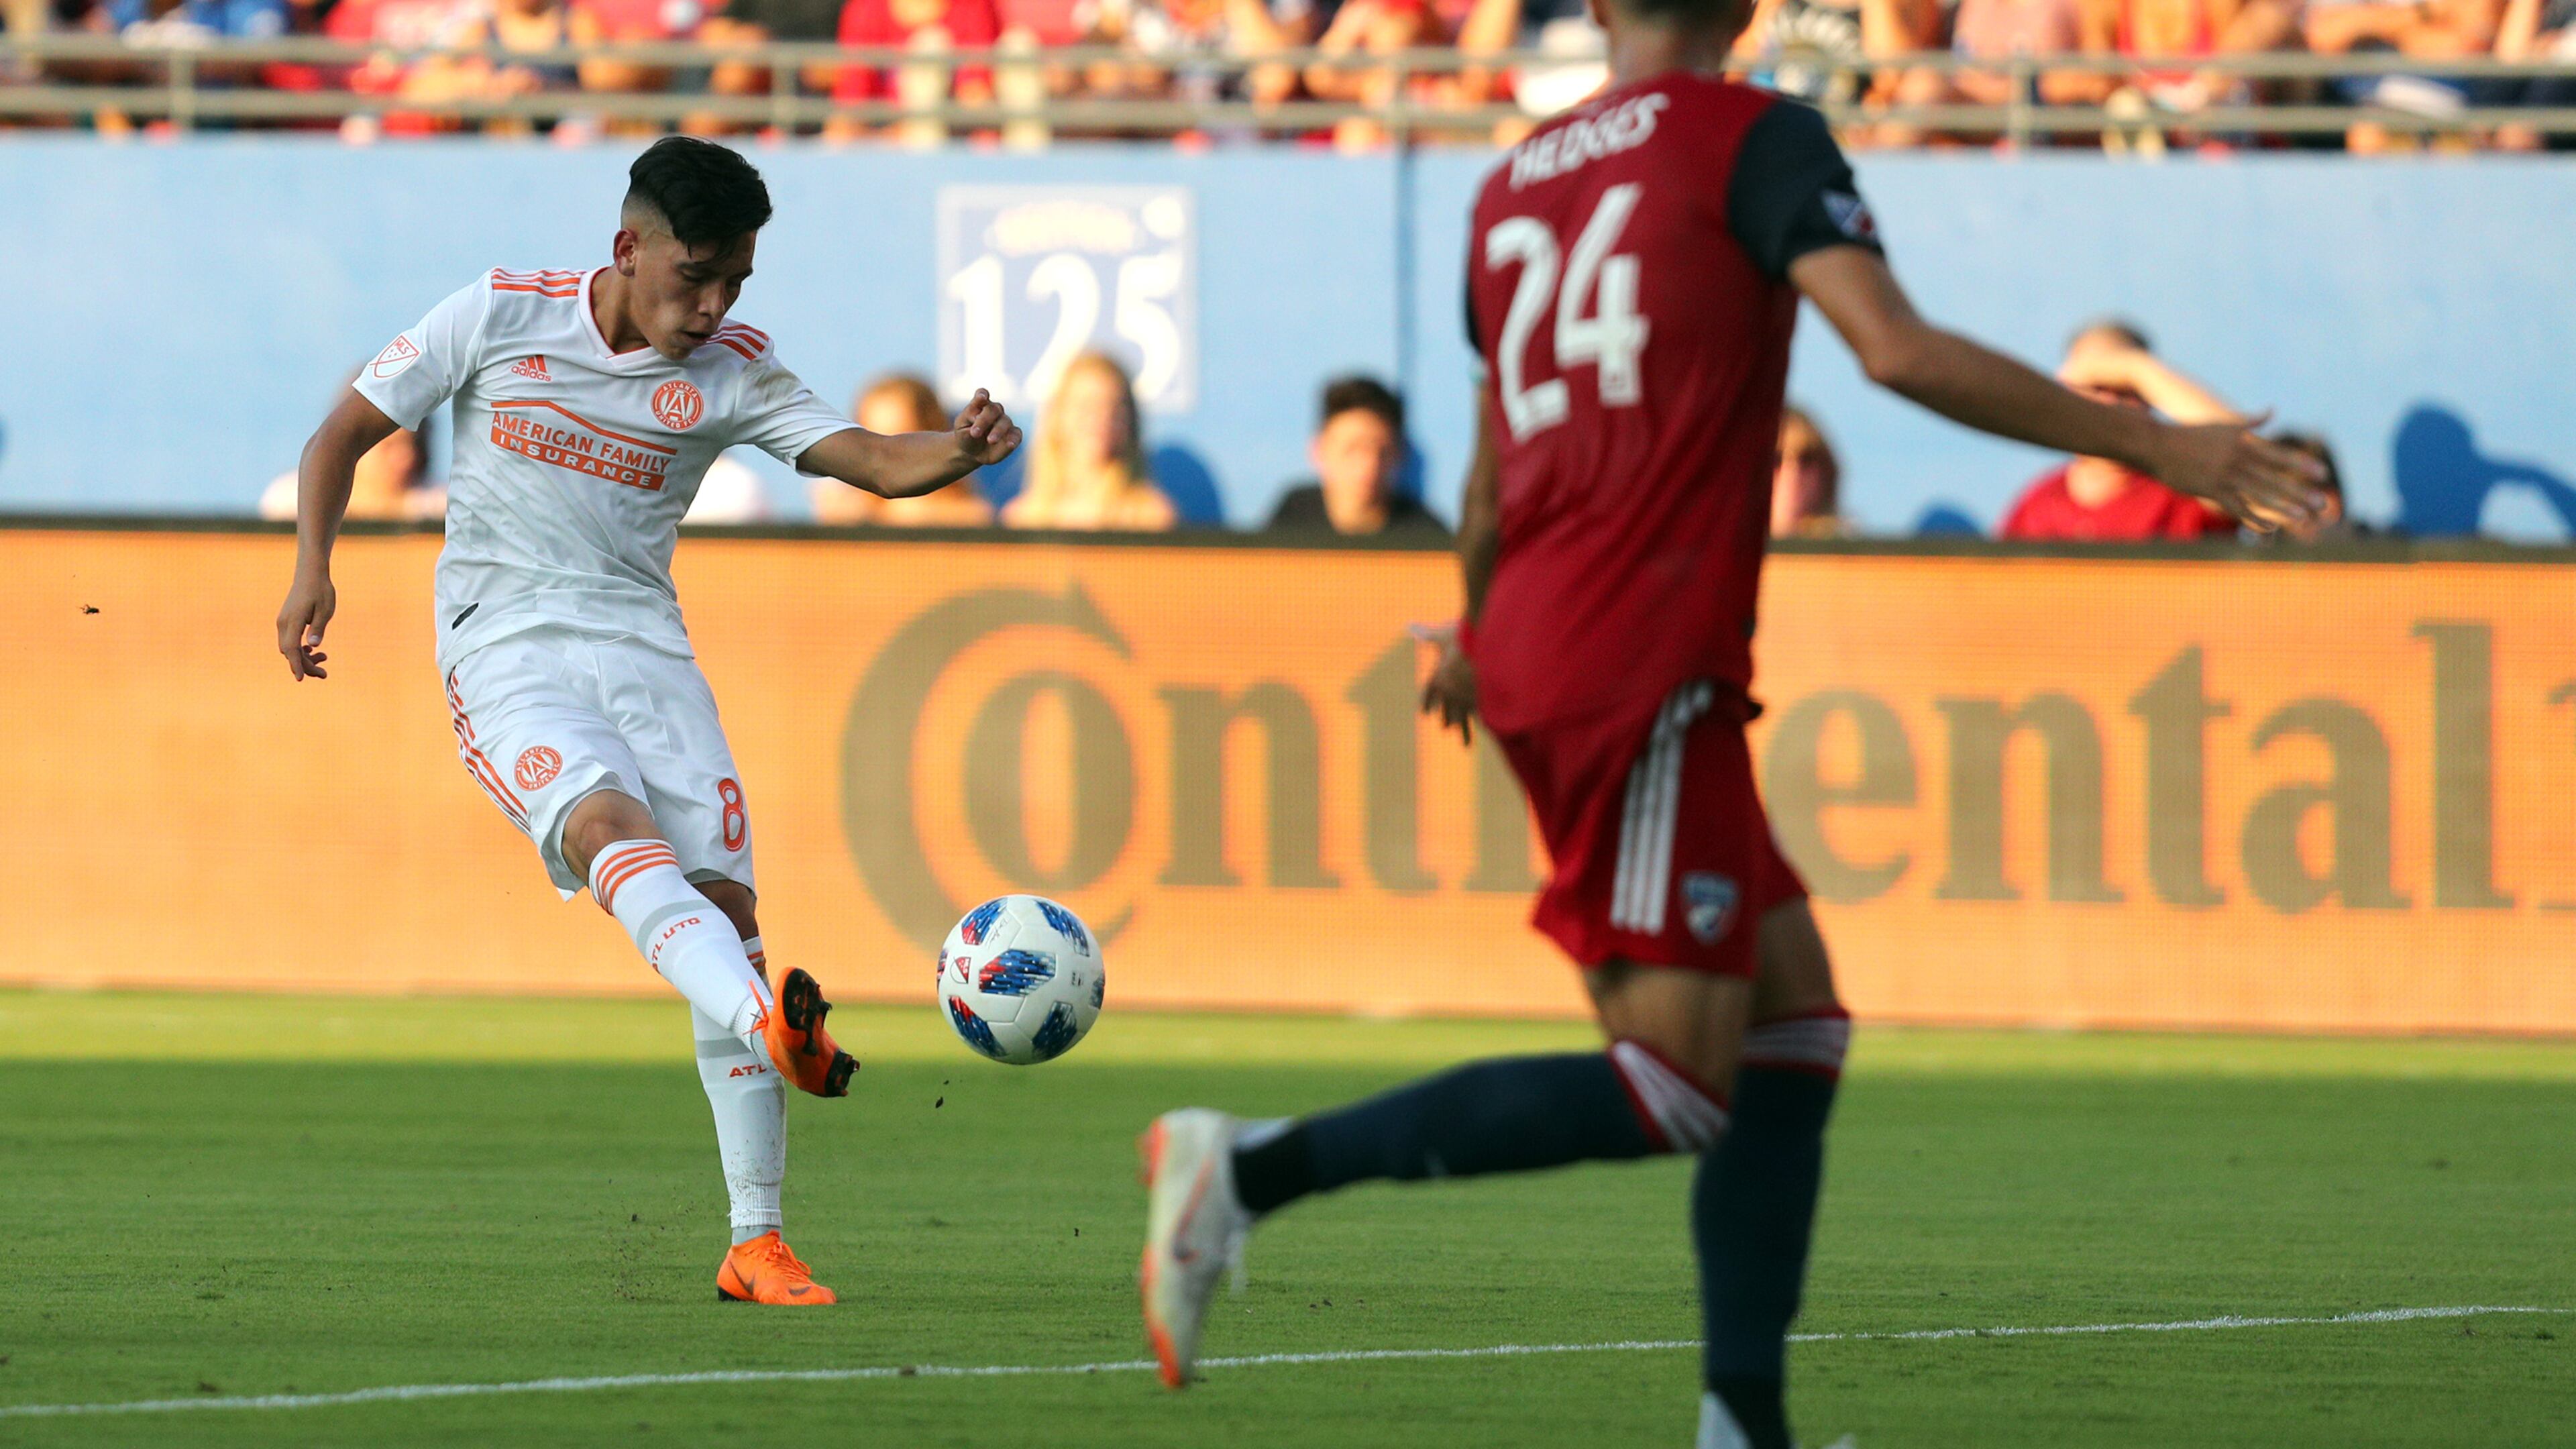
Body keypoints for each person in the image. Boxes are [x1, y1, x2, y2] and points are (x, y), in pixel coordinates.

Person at [1132, 8, 2324, 1444]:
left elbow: (1500, 478)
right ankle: (1248, 1171)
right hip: (1636, 659)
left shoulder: (1512, 182)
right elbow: (1892, 351)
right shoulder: (1758, 138)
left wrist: (1475, 625)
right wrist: (2157, 441)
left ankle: (1741, 1421)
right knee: (1678, 1084)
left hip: (1575, 640)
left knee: (1797, 1027)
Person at [274, 138, 1022, 1306]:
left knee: (728, 910)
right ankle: (770, 1028)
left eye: (735, 285)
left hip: (646, 651)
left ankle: (756, 1242)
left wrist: (963, 452)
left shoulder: (733, 368)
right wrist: (313, 567)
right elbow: (340, 437)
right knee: (604, 826)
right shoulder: (500, 315)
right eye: (696, 279)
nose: (713, 305)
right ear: (628, 249)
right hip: (505, 640)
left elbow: (872, 460)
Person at [1996, 321, 2247, 541]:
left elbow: (2249, 461)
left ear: (2151, 397)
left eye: (2124, 388)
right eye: (2094, 387)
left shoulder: (2185, 489)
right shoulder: (2039, 503)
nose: (2110, 402)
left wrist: (2137, 369)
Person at [1000, 352, 1178, 531]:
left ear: (1131, 422)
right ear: (1057, 416)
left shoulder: (1150, 517)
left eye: (1114, 407)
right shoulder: (1022, 518)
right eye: (1086, 406)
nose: (1102, 419)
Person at [1265, 375, 1450, 541]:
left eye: (1382, 451)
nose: (1369, 465)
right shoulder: (1293, 516)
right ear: (1319, 451)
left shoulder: (1425, 535)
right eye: (1352, 449)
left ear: (1399, 455)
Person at [813, 373, 996, 524]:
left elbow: (977, 514)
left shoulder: (965, 510)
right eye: (872, 439)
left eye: (899, 439)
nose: (884, 454)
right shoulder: (847, 500)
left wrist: (877, 515)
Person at [1768, 405, 1842, 537]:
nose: (1792, 473)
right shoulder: (1722, 547)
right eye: (1776, 460)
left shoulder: (1846, 553)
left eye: (1807, 459)